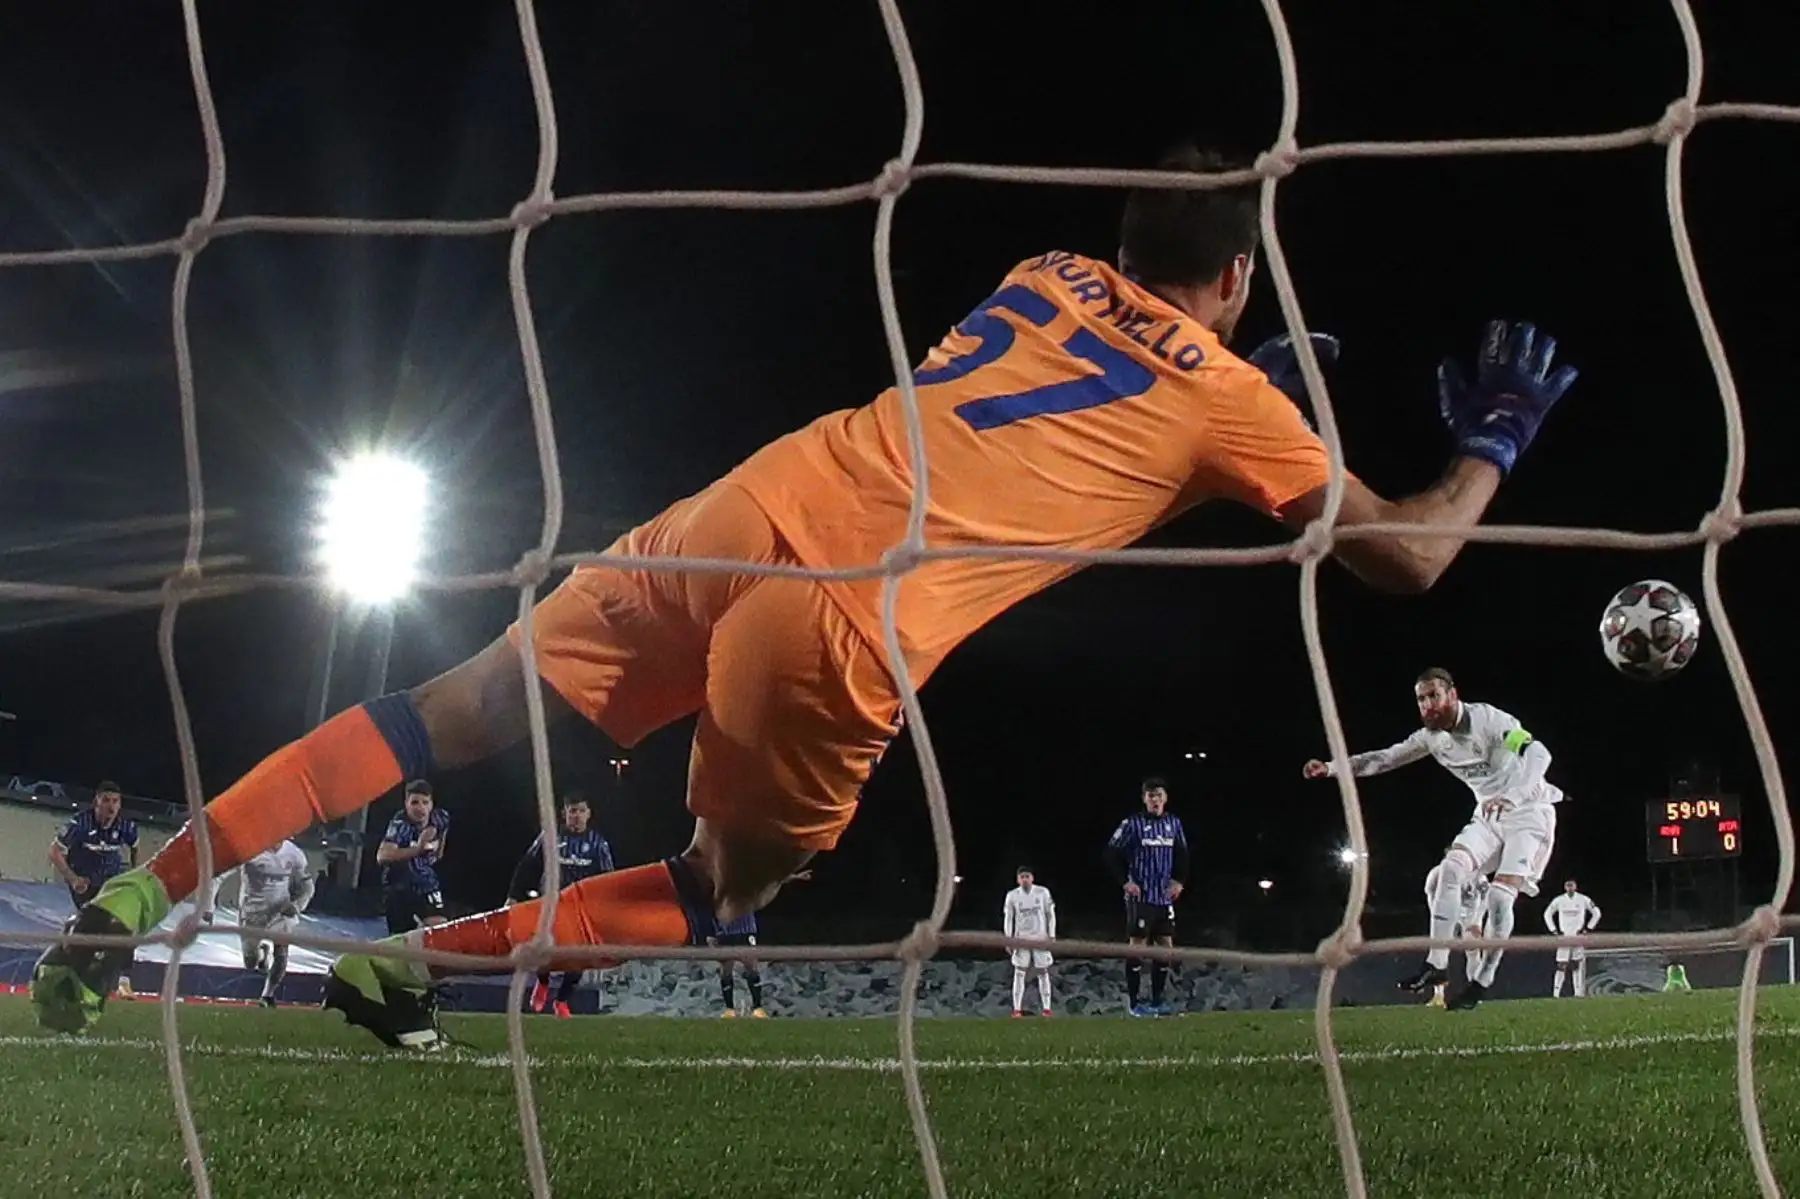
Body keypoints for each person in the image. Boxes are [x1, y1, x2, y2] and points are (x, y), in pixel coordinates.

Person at [32, 143, 1581, 1045]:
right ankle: (436, 958)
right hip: (853, 602)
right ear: (1240, 281)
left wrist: (1244, 389)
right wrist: (1487, 445)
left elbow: (1111, 391)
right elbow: (1409, 552)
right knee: (731, 881)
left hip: (757, 495)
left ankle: (148, 882)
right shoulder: (1229, 397)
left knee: (457, 703)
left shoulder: (1043, 269)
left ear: (1118, 242)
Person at [1303, 668, 1564, 1010]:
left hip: (1530, 812)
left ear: (1453, 695)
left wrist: (1514, 796)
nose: (1427, 705)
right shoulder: (1431, 738)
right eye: (1421, 699)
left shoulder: (1488, 720)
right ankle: (1436, 966)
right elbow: (1383, 759)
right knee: (1449, 872)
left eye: (1433, 696)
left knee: (1500, 900)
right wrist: (1331, 767)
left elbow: (1539, 754)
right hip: (1488, 815)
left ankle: (1481, 983)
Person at [506, 792, 615, 1017]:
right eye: (572, 811)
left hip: (580, 910)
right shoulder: (551, 837)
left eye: (581, 811)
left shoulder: (598, 844)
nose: (576, 816)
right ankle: (543, 982)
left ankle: (562, 1000)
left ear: (588, 814)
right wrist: (514, 895)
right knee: (546, 949)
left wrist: (605, 909)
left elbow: (607, 878)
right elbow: (527, 865)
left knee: (581, 957)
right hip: (550, 904)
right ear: (565, 813)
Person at [1106, 779, 1188, 1015]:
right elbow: (1110, 854)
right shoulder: (1133, 824)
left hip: (1164, 897)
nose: (1155, 800)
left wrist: (1179, 882)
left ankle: (1158, 1001)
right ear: (1144, 798)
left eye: (1159, 795)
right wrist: (1126, 882)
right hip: (1141, 896)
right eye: (1150, 796)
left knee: (1165, 947)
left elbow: (1183, 854)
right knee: (1138, 947)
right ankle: (1134, 1003)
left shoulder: (1173, 823)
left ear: (1165, 798)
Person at [228, 839, 314, 1008]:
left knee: (281, 952)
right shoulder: (249, 850)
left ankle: (267, 995)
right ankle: (261, 954)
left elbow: (307, 885)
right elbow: (219, 875)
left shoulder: (294, 853)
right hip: (252, 912)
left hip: (280, 911)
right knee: (250, 962)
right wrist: (208, 905)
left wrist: (297, 905)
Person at [47, 781, 138, 911]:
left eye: (115, 801)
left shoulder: (127, 827)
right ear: (96, 802)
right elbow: (54, 851)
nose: (111, 807)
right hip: (84, 881)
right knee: (90, 917)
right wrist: (73, 879)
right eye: (106, 801)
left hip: (110, 880)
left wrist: (134, 873)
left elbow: (135, 847)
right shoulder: (79, 824)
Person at [376, 780, 450, 935]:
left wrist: (436, 848)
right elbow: (382, 856)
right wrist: (418, 849)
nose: (420, 808)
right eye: (414, 802)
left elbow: (441, 843)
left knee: (440, 930)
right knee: (401, 937)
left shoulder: (441, 817)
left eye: (425, 802)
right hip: (399, 886)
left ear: (431, 804)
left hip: (426, 884)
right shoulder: (400, 825)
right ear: (406, 804)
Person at [1422, 863, 1487, 1009]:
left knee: (1473, 951)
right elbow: (1430, 894)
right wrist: (1439, 919)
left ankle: (1474, 992)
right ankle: (1438, 995)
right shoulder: (1437, 873)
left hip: (1470, 916)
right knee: (1440, 953)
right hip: (1449, 914)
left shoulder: (1479, 876)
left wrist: (1477, 921)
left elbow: (1484, 899)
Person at [1002, 867, 1056, 1017]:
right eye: (1022, 877)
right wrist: (1008, 938)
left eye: (1027, 876)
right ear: (1018, 879)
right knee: (1019, 973)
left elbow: (1050, 914)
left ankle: (1047, 1009)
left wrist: (1051, 935)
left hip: (1040, 938)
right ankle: (1017, 1009)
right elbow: (1009, 918)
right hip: (1021, 939)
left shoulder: (1043, 892)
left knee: (1043, 972)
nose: (1025, 879)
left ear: (1032, 878)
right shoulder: (1012, 895)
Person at [1544, 878, 1601, 997]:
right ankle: (1556, 993)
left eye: (1572, 885)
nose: (1570, 888)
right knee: (1561, 964)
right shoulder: (1559, 900)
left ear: (1576, 886)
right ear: (1565, 887)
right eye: (1567, 885)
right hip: (1564, 936)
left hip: (1578, 936)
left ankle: (1578, 993)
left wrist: (1588, 929)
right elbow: (1547, 914)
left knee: (1576, 964)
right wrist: (1554, 930)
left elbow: (1596, 913)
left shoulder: (1583, 899)